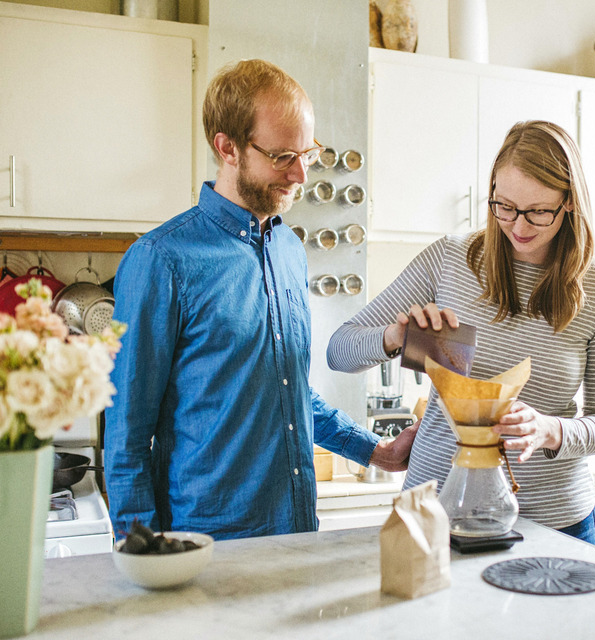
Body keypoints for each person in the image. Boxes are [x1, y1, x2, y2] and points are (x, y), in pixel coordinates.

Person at [105, 59, 415, 541]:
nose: (300, 175)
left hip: (295, 531)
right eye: (282, 156)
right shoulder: (160, 260)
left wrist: (377, 451)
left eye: (308, 154)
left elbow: (288, 393)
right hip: (207, 546)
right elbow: (125, 437)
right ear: (226, 147)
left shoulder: (289, 250)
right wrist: (142, 557)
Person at [327, 120, 595, 545]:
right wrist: (394, 337)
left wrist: (550, 430)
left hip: (554, 520)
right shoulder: (451, 258)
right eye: (503, 206)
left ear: (570, 203)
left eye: (540, 211)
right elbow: (339, 351)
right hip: (434, 510)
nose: (518, 226)